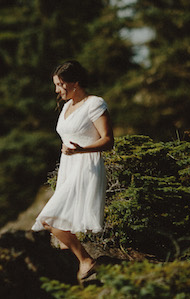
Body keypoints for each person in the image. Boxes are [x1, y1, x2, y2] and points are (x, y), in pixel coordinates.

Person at [32, 60, 114, 282]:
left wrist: (81, 150)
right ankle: (72, 275)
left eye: (60, 84)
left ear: (75, 83)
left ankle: (87, 261)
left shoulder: (94, 104)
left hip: (86, 166)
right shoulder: (67, 106)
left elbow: (108, 140)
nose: (57, 90)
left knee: (50, 220)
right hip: (69, 167)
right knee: (63, 225)